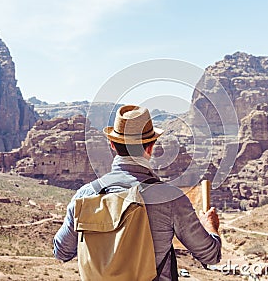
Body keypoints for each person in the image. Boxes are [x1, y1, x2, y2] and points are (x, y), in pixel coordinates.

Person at [53, 105, 221, 280]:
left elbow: (61, 253)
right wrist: (210, 226)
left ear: (112, 145)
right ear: (150, 147)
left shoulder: (84, 195)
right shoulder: (171, 199)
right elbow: (210, 255)